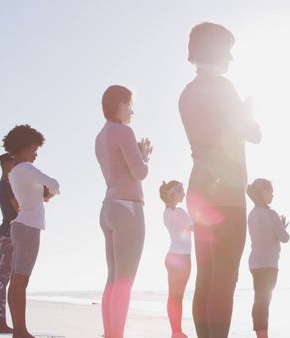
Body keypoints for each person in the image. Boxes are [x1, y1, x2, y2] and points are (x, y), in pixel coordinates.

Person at [179, 22, 261, 338]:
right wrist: (249, 109)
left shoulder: (187, 93)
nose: (231, 57)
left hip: (199, 187)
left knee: (207, 277)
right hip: (225, 189)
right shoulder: (223, 88)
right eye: (228, 49)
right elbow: (251, 133)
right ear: (215, 50)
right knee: (225, 279)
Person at [96, 85, 152, 338]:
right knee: (125, 281)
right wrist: (144, 156)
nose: (132, 111)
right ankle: (116, 335)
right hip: (128, 208)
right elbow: (139, 172)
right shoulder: (124, 131)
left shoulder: (101, 136)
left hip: (108, 208)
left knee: (113, 279)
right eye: (130, 105)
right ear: (119, 105)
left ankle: (109, 333)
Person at [4, 125, 60, 338]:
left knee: (16, 280)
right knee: (21, 280)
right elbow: (54, 184)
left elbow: (40, 195)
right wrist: (51, 191)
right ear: (23, 147)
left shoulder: (15, 171)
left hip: (20, 226)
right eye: (34, 148)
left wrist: (46, 194)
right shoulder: (26, 168)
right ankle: (21, 332)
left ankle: (19, 330)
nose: (35, 153)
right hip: (28, 228)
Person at [246, 179, 289, 338]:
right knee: (264, 302)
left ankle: (260, 334)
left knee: (259, 300)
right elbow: (284, 238)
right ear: (262, 193)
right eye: (270, 191)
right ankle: (262, 336)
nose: (272, 194)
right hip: (269, 264)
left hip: (255, 263)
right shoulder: (271, 214)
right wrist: (282, 228)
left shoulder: (251, 214)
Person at [160, 181, 193, 338]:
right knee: (177, 297)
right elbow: (196, 228)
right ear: (174, 194)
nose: (184, 194)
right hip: (182, 258)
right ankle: (177, 332)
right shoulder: (179, 212)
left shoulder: (167, 212)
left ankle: (175, 331)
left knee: (173, 296)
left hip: (171, 256)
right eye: (182, 191)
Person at [0, 153, 19, 333]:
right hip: (6, 237)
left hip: (9, 236)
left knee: (7, 280)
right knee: (2, 281)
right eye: (15, 163)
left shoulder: (7, 186)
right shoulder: (6, 187)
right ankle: (1, 323)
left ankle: (4, 322)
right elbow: (19, 208)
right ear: (8, 165)